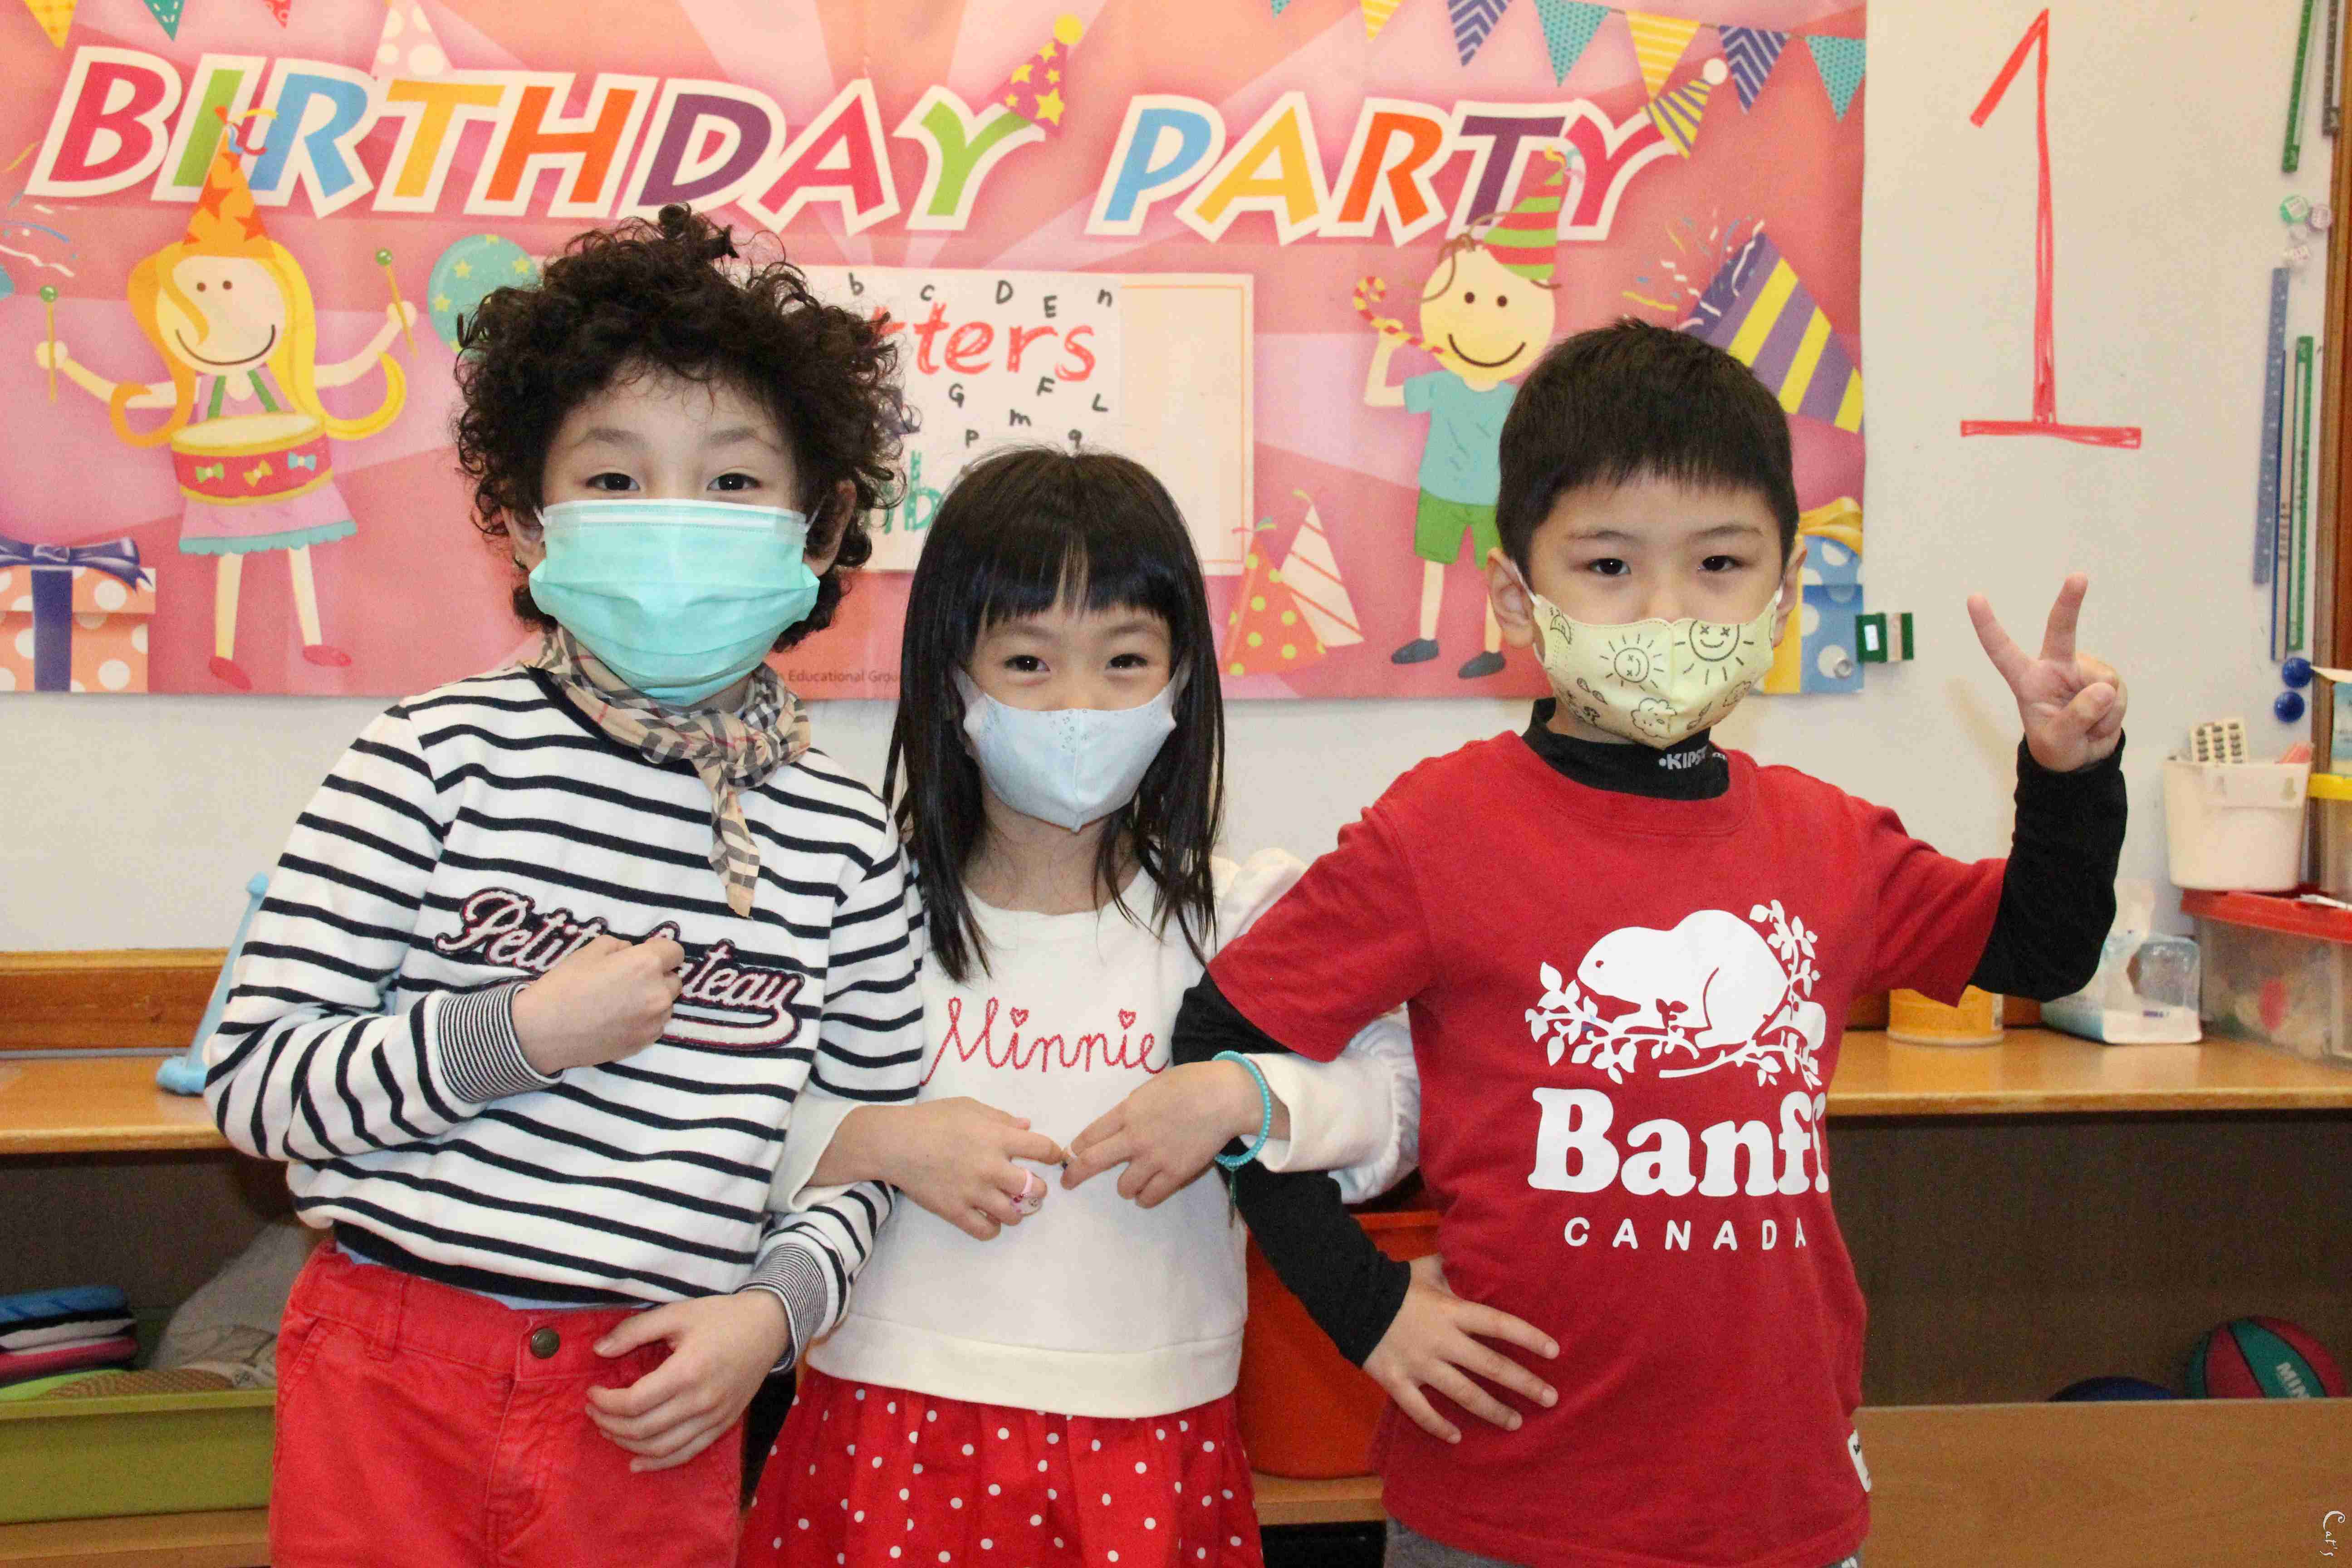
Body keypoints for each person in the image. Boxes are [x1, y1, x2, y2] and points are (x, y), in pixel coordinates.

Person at [1171, 320, 2130, 1568]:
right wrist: (1367, 1310)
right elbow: (1217, 1045)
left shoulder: (1826, 840)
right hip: (1503, 1514)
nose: (1668, 608)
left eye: (1720, 562)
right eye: (1610, 565)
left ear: (1785, 589)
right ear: (1515, 598)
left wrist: (2070, 777)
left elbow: (2044, 951)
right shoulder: (1440, 830)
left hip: (1776, 1507)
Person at [203, 205, 919, 1567]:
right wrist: (518, 1033)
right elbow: (256, 1085)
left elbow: (869, 1143)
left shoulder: (843, 838)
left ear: (820, 529)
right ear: (531, 525)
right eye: (614, 477)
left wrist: (773, 1314)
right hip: (392, 1368)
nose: (674, 520)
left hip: (659, 1388)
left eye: (731, 480)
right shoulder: (428, 758)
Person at [740, 447, 1432, 1568]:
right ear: (950, 679)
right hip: (882, 1430)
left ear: (1181, 681)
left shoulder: (1242, 913)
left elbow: (1398, 1101)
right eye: (1027, 661)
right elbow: (714, 1125)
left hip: (1155, 1440)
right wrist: (879, 1140)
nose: (1078, 706)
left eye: (1124, 662)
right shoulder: (854, 904)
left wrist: (1244, 1099)